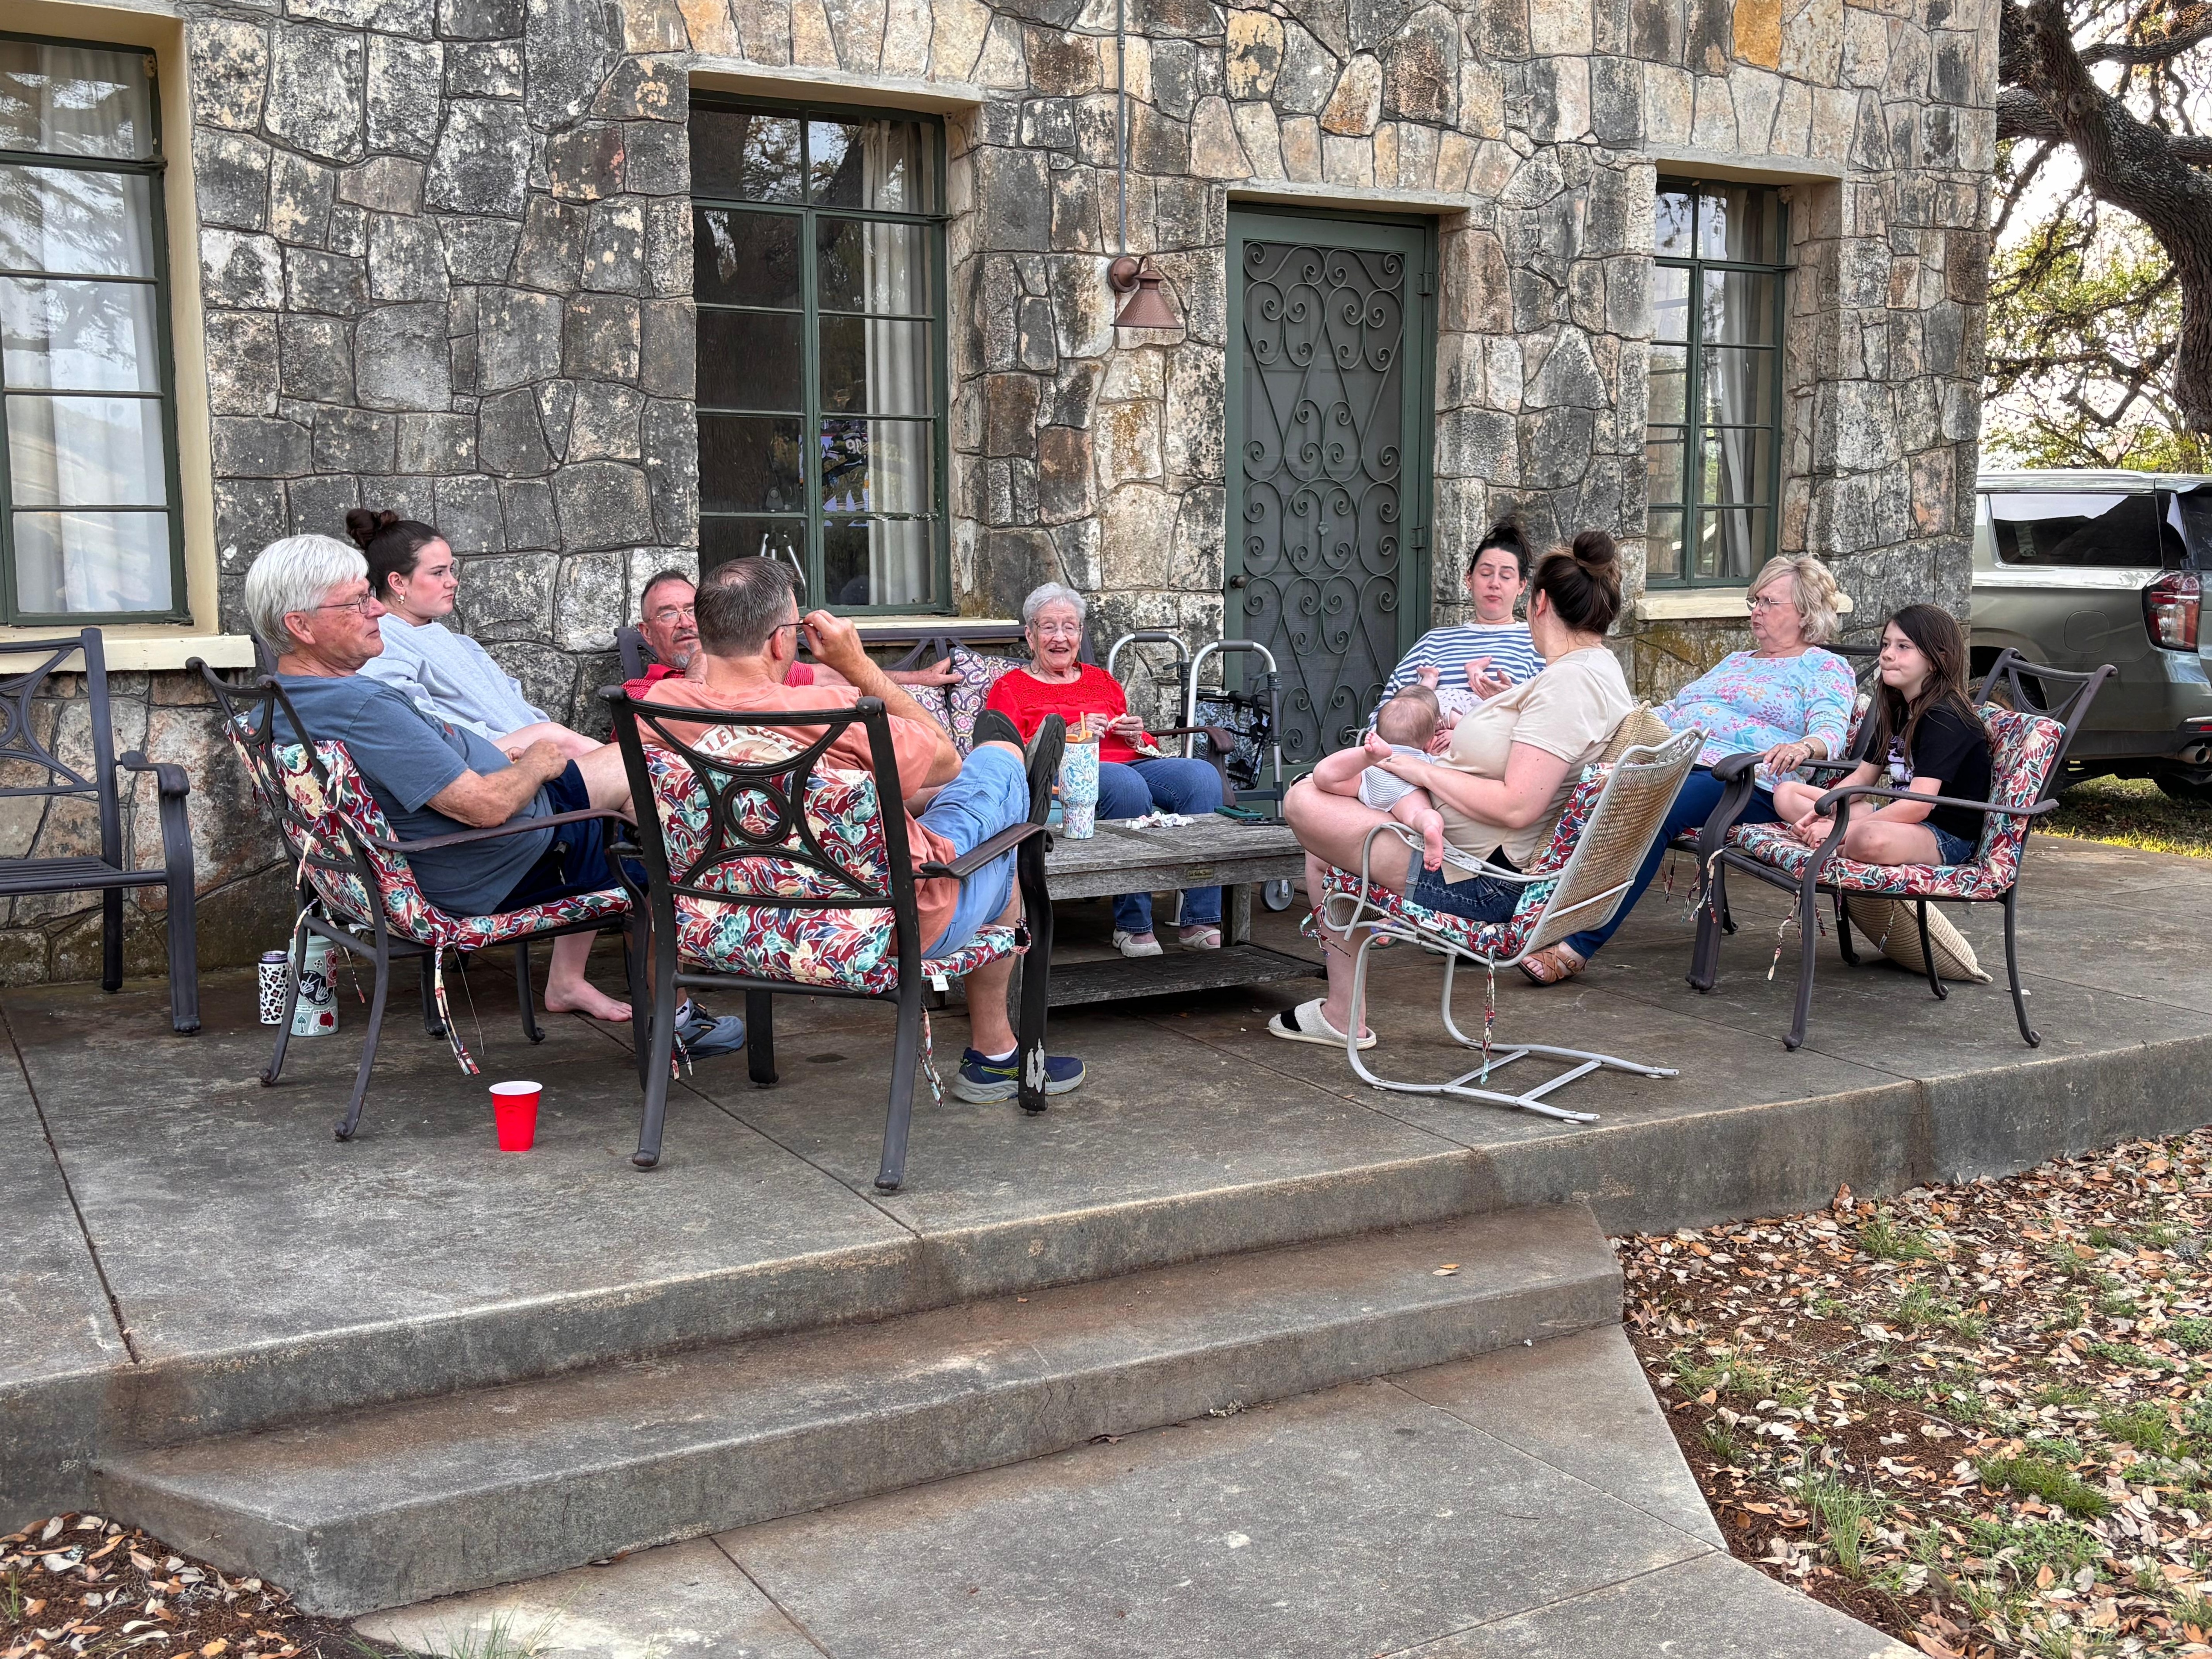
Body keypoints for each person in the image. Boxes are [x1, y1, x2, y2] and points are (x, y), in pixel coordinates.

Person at [635, 558, 1088, 1105]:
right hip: (885, 926)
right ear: (782, 643)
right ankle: (1020, 771)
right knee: (998, 794)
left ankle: (996, 1052)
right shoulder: (835, 712)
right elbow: (946, 757)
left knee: (991, 834)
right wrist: (858, 667)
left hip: (734, 924)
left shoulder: (654, 714)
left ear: (703, 635)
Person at [242, 534, 639, 1025]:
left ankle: (615, 978)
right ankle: (684, 998)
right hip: (498, 860)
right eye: (357, 602)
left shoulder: (282, 704)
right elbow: (486, 808)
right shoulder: (364, 708)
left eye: (370, 596)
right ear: (300, 626)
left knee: (637, 774)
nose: (378, 611)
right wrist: (537, 762)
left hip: (442, 862)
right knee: (648, 797)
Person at [1270, 531, 1634, 1049]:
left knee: (1307, 800)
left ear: (1538, 602)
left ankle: (1342, 1012)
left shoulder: (1567, 685)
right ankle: (1340, 1009)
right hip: (1481, 856)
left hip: (1482, 881)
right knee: (1331, 822)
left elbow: (1517, 804)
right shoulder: (1595, 671)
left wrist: (1420, 771)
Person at [1516, 553, 1860, 987]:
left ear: (1805, 611)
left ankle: (1575, 946)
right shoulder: (1735, 660)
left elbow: (1827, 732)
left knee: (1655, 807)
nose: (1755, 609)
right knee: (1580, 786)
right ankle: (1527, 917)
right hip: (1678, 762)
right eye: (1754, 599)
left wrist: (1802, 746)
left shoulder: (1824, 667)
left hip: (1747, 780)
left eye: (1769, 602)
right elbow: (1673, 709)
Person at [983, 583, 1226, 957]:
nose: (1060, 637)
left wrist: (1134, 732)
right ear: (1030, 637)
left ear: (1080, 634)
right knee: (1126, 785)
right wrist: (1072, 732)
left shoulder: (1101, 679)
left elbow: (1142, 739)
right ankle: (1134, 925)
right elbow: (1007, 753)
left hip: (1130, 760)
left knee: (1201, 776)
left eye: (1070, 627)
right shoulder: (1011, 688)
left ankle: (1200, 918)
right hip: (1071, 774)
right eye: (1049, 627)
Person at [347, 511, 600, 760]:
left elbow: (518, 706)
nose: (452, 581)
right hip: (490, 765)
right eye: (439, 572)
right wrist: (523, 743)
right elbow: (415, 723)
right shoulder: (382, 642)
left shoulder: (464, 645)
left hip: (540, 757)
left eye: (451, 570)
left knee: (623, 769)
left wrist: (543, 737)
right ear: (398, 582)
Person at [1774, 604, 1991, 866]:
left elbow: (1919, 805)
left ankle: (1836, 844)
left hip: (1944, 835)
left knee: (1869, 838)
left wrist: (1839, 829)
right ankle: (1832, 839)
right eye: (1886, 644)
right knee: (1786, 794)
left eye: (1903, 647)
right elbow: (1863, 776)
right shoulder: (1898, 710)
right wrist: (1822, 810)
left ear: (1937, 660)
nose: (1887, 655)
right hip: (1900, 819)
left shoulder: (1944, 718)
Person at [625, 564, 960, 700]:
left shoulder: (762, 665)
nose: (685, 622)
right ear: (647, 633)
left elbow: (831, 676)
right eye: (668, 614)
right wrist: (699, 665)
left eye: (692, 610)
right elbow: (677, 720)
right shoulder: (640, 692)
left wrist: (919, 677)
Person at [1374, 520, 1544, 724]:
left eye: (1506, 576)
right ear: (1469, 579)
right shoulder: (1434, 642)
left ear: (1522, 586)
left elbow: (1554, 719)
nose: (1494, 584)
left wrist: (1514, 703)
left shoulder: (1537, 642)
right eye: (1486, 574)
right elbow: (1386, 712)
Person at [1308, 684, 1449, 870]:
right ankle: (1430, 827)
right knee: (1418, 814)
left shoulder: (1376, 758)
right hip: (1404, 792)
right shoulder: (1426, 758)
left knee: (1327, 779)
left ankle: (1363, 756)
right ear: (1429, 743)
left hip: (1373, 777)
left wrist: (1370, 758)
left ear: (1376, 734)